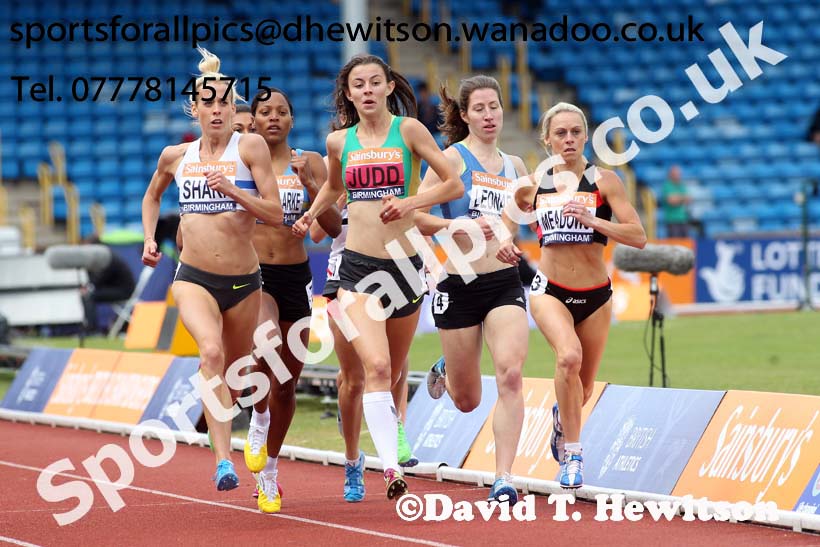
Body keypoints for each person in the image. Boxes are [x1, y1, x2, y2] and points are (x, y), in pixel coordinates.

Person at [292, 54, 463, 500]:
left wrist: (409, 204)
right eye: (358, 85)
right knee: (377, 366)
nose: (367, 90)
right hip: (357, 269)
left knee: (391, 373)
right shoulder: (338, 141)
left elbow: (453, 185)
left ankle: (384, 452)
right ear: (348, 94)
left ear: (389, 87)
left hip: (406, 268)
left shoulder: (408, 131)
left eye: (374, 82)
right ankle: (388, 469)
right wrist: (310, 213)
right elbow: (334, 187)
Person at [141, 47, 284, 492]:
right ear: (195, 108)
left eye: (224, 101)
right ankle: (224, 462)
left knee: (236, 376)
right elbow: (152, 198)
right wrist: (149, 238)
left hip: (244, 282)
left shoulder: (252, 147)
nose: (217, 109)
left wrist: (234, 192)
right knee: (211, 354)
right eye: (208, 102)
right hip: (194, 277)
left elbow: (275, 212)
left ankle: (244, 413)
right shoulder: (175, 156)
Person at [497, 102, 646, 489]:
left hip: (596, 294)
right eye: (560, 133)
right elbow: (504, 223)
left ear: (585, 136)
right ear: (546, 139)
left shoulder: (605, 181)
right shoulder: (533, 185)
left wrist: (595, 220)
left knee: (583, 388)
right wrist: (504, 242)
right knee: (568, 358)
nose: (568, 139)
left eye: (575, 132)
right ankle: (574, 456)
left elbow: (638, 236)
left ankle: (562, 418)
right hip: (550, 290)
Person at [416, 75, 529, 503]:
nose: (489, 115)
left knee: (511, 374)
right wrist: (459, 226)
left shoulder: (517, 167)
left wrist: (506, 244)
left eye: (495, 107)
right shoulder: (450, 160)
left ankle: (503, 476)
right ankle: (447, 367)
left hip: (501, 284)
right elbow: (417, 218)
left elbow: (512, 222)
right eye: (479, 108)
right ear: (464, 116)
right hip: (456, 283)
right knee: (466, 400)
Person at [241, 88, 342, 513]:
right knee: (266, 342)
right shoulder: (242, 161)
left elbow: (335, 226)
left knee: (286, 383)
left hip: (297, 276)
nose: (274, 118)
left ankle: (270, 474)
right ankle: (257, 420)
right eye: (266, 112)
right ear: (255, 120)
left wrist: (313, 185)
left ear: (292, 120)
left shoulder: (311, 161)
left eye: (283, 111)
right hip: (254, 272)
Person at [310, 190, 419, 504]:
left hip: (389, 276)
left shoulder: (387, 174)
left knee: (388, 365)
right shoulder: (337, 184)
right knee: (354, 380)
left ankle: (396, 426)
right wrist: (340, 199)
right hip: (340, 282)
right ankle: (352, 460)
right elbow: (317, 233)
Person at [661, 165, 691, 238]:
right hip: (672, 220)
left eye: (679, 174)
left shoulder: (681, 185)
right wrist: (682, 198)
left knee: (685, 243)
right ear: (671, 174)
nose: (678, 176)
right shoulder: (667, 186)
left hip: (683, 219)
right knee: (674, 243)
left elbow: (688, 199)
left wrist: (678, 198)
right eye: (676, 174)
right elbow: (671, 201)